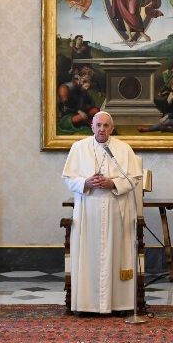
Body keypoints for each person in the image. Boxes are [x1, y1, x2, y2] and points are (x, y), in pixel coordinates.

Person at [62, 111, 142, 314]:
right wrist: (85, 182)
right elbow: (68, 178)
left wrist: (113, 182)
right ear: (92, 126)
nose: (102, 129)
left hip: (116, 209)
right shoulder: (78, 148)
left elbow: (133, 178)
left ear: (112, 128)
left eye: (106, 126)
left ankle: (119, 304)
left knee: (115, 254)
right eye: (98, 125)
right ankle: (87, 305)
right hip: (89, 210)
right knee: (89, 255)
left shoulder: (123, 150)